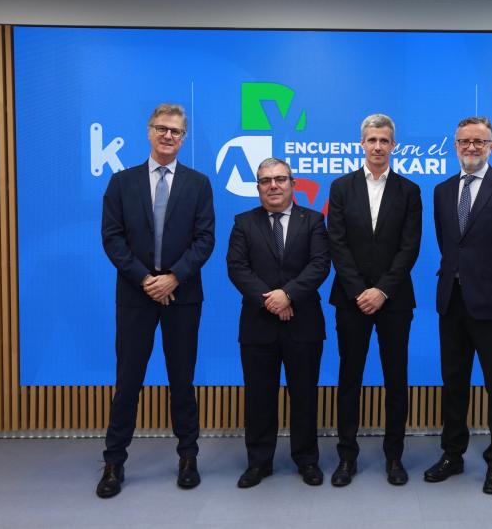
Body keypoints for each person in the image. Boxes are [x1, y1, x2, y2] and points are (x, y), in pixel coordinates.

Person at [98, 103, 215, 498]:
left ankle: (188, 457)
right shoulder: (122, 182)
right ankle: (113, 462)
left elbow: (205, 240)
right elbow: (112, 239)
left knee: (182, 381)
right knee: (127, 382)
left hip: (183, 297)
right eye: (162, 129)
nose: (168, 136)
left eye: (176, 131)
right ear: (149, 132)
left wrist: (173, 278)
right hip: (135, 295)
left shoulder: (199, 184)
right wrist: (146, 279)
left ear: (184, 138)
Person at [425, 116, 492, 494]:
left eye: (479, 142)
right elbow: (448, 244)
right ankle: (453, 455)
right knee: (453, 384)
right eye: (464, 141)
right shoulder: (440, 191)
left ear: (491, 147)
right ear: (455, 145)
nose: (471, 147)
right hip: (451, 303)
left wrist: (488, 278)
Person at [327, 114, 422, 486]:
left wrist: (382, 290)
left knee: (396, 380)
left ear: (393, 146)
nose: (378, 146)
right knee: (349, 379)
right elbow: (336, 242)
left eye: (384, 140)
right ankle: (346, 458)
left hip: (395, 300)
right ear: (361, 144)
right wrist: (359, 291)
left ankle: (394, 458)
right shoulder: (340, 187)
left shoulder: (410, 191)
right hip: (351, 300)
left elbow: (409, 247)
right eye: (372, 140)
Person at [227, 158, 330, 488]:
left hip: (304, 323)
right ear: (257, 187)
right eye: (265, 180)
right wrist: (271, 300)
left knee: (304, 396)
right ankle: (259, 462)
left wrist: (287, 296)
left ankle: (307, 460)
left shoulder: (313, 220)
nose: (273, 185)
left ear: (292, 184)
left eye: (280, 179)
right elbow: (237, 268)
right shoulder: (243, 222)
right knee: (259, 397)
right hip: (258, 324)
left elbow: (319, 265)